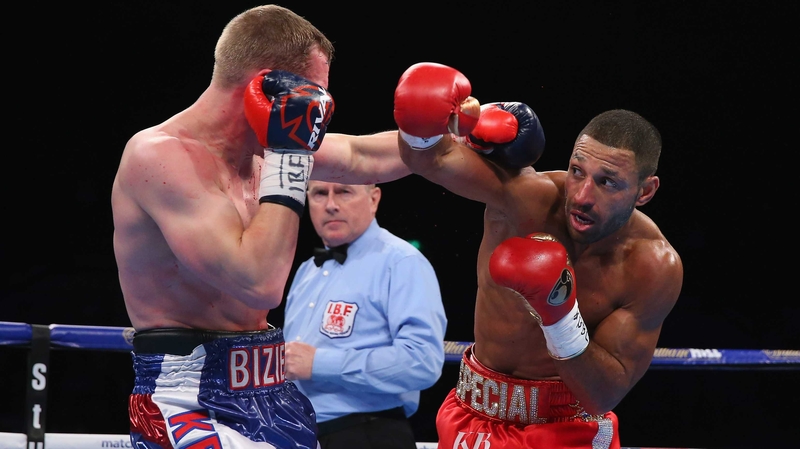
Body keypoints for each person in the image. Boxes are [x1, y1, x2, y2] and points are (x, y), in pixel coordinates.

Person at [112, 5, 409, 449]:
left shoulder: (261, 151)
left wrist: (456, 132)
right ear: (268, 86)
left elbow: (366, 156)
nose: (321, 111)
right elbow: (259, 283)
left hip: (274, 391)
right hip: (189, 399)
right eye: (315, 92)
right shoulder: (159, 157)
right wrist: (290, 154)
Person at [393, 62, 684, 448]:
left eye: (607, 182)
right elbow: (430, 160)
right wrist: (423, 126)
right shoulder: (530, 200)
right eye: (578, 171)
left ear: (645, 192)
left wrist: (559, 314)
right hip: (472, 412)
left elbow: (602, 396)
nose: (581, 196)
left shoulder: (651, 265)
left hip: (566, 429)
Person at [282, 180, 447, 449]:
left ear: (374, 199)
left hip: (369, 433)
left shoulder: (401, 262)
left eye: (344, 191)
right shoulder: (306, 271)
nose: (331, 205)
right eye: (320, 193)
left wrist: (321, 363)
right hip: (301, 433)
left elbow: (423, 361)